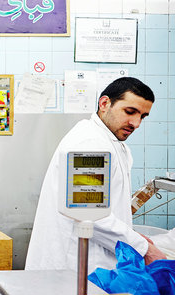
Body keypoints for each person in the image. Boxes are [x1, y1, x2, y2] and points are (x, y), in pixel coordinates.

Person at [26, 77, 166, 274]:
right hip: (73, 267)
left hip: (91, 264)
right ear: (104, 104)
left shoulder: (113, 143)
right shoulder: (89, 143)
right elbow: (89, 213)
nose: (136, 123)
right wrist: (144, 248)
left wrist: (136, 238)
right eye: (130, 111)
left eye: (143, 116)